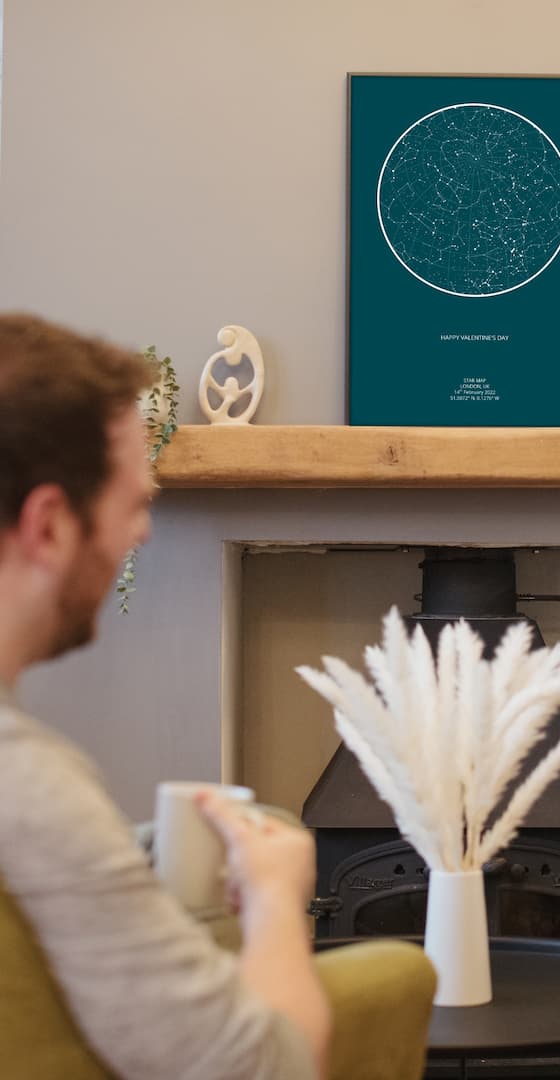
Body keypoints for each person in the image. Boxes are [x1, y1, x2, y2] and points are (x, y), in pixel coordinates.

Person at [0, 313, 330, 1076]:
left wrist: (126, 852)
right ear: (49, 526)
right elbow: (264, 1068)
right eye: (133, 503)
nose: (141, 534)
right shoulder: (33, 786)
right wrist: (280, 899)